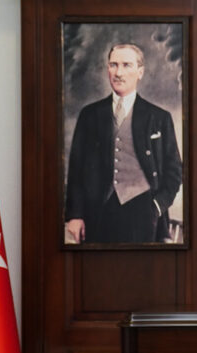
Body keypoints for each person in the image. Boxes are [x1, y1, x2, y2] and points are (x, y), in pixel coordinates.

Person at [64, 43, 183, 244]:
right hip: (98, 213)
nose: (118, 73)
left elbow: (174, 171)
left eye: (126, 65)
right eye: (113, 65)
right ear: (108, 69)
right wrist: (75, 215)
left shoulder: (159, 118)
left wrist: (157, 206)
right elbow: (76, 169)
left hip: (144, 214)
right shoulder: (89, 115)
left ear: (140, 72)